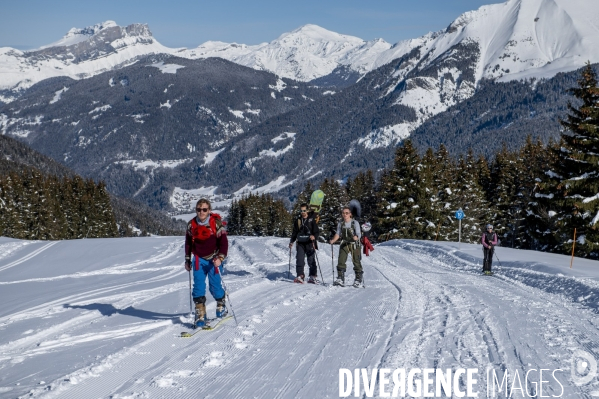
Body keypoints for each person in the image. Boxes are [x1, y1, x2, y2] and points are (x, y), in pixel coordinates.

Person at [185, 198, 228, 327]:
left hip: (214, 259)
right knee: (198, 286)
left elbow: (224, 242)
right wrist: (187, 259)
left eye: (204, 209)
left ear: (209, 210)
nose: (201, 212)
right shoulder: (191, 225)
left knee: (214, 286)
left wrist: (220, 258)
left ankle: (221, 303)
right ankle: (200, 315)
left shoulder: (215, 223)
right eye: (199, 209)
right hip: (199, 259)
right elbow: (188, 243)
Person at [330, 206, 362, 287]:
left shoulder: (355, 223)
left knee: (356, 261)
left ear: (350, 214)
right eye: (343, 213)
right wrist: (333, 240)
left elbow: (359, 233)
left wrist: (357, 237)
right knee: (341, 260)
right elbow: (338, 233)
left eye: (347, 213)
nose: (345, 214)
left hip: (355, 244)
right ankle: (340, 278)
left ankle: (358, 279)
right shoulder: (341, 223)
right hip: (345, 243)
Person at [289, 203, 320, 283]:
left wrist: (314, 237)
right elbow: (295, 232)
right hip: (300, 243)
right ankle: (300, 275)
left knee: (311, 260)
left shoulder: (311, 220)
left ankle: (312, 276)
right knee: (299, 259)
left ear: (307, 210)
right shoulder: (298, 220)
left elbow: (316, 232)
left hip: (310, 243)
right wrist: (291, 241)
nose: (302, 212)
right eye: (301, 210)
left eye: (304, 210)